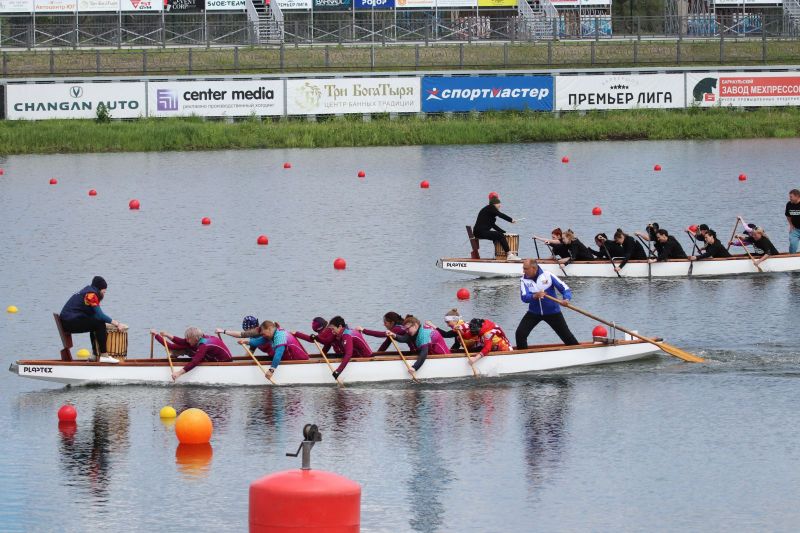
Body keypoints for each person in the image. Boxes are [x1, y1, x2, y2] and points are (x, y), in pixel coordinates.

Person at [59, 276, 127, 363]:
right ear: (99, 289)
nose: (104, 294)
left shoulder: (87, 291)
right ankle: (104, 355)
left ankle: (95, 355)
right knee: (99, 323)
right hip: (69, 322)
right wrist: (117, 324)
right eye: (104, 292)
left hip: (67, 321)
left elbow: (96, 315)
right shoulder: (91, 295)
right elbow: (100, 315)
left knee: (95, 323)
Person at [515, 259, 579, 349]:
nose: (523, 271)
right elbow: (524, 297)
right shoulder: (524, 280)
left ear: (534, 268)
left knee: (567, 337)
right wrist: (535, 296)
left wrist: (566, 299)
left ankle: (577, 350)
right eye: (523, 268)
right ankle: (522, 354)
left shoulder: (548, 275)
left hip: (553, 312)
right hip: (534, 313)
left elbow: (564, 288)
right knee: (520, 334)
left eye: (526, 269)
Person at [151, 327, 233, 381]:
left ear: (195, 338)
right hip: (214, 357)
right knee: (182, 346)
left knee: (186, 349)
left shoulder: (204, 345)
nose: (187, 340)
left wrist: (178, 373)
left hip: (224, 362)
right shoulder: (200, 338)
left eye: (188, 339)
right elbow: (179, 342)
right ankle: (175, 356)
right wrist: (161, 335)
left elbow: (195, 362)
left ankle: (175, 356)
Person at [238, 320, 309, 378]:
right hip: (288, 358)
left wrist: (271, 370)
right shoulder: (272, 333)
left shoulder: (280, 336)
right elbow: (258, 341)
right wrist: (246, 342)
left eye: (263, 333)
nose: (262, 335)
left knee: (276, 356)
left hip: (298, 359)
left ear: (269, 329)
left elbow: (278, 355)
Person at [786, 188, 800, 253]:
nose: (790, 198)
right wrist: (791, 225)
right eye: (789, 197)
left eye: (791, 197)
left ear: (797, 196)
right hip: (795, 229)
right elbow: (788, 215)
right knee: (793, 244)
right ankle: (792, 256)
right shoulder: (789, 204)